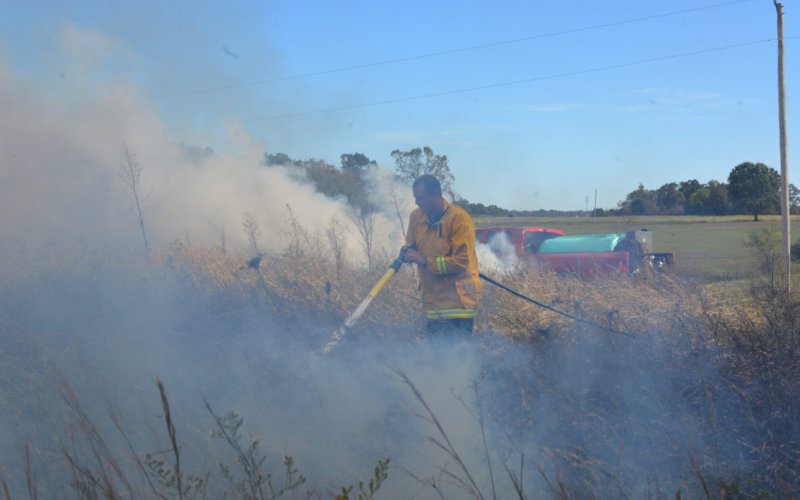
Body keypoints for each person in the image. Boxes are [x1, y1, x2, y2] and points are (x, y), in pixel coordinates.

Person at [402, 174, 482, 335]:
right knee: (436, 358)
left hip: (458, 306)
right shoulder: (416, 217)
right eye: (415, 198)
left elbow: (461, 262)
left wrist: (424, 261)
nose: (417, 202)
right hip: (432, 304)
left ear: (435, 195)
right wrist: (406, 253)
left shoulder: (459, 219)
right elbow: (412, 246)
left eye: (421, 198)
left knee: (457, 357)